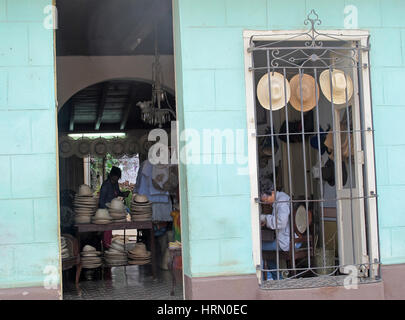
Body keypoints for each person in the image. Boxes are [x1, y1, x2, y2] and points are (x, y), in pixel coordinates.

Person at [260, 179, 300, 280]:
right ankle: (276, 278)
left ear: (271, 193)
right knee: (268, 252)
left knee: (258, 247)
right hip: (289, 238)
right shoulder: (280, 198)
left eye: (264, 199)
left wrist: (265, 218)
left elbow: (281, 222)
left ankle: (267, 278)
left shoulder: (282, 201)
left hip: (289, 241)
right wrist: (268, 221)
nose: (264, 202)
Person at [99, 166, 130, 249]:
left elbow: (118, 192)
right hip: (105, 211)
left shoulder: (115, 183)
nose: (117, 179)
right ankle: (106, 247)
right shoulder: (106, 185)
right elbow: (101, 201)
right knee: (107, 229)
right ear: (112, 175)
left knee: (110, 229)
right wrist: (105, 213)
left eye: (118, 178)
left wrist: (124, 194)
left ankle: (107, 245)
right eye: (116, 177)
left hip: (112, 210)